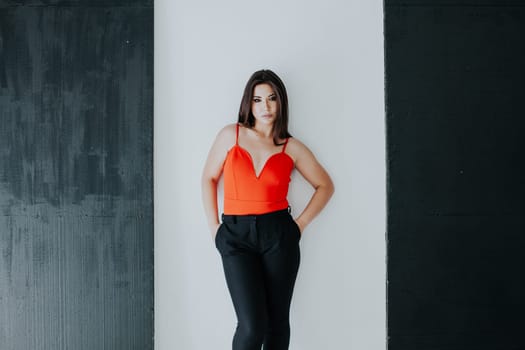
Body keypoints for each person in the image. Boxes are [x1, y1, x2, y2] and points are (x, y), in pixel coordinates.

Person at [201, 69, 334, 350]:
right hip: (236, 236)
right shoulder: (231, 135)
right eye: (258, 100)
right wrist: (214, 228)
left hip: (279, 237)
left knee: (276, 325)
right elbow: (209, 178)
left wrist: (298, 226)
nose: (266, 106)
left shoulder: (291, 147)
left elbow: (325, 186)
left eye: (272, 98)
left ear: (281, 102)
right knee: (251, 327)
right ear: (248, 104)